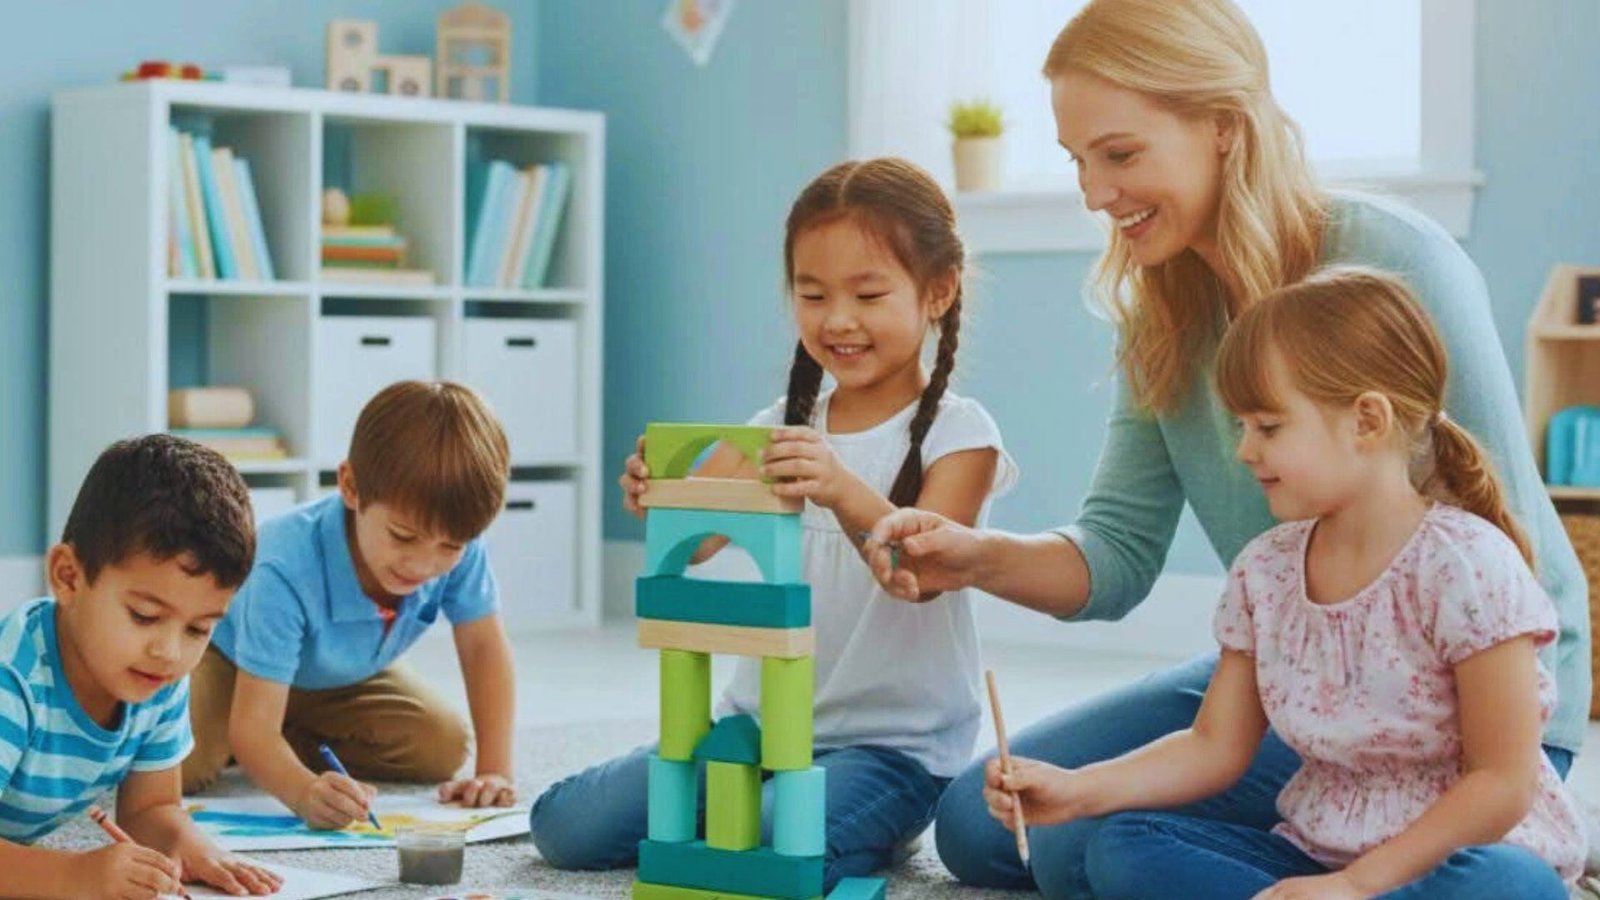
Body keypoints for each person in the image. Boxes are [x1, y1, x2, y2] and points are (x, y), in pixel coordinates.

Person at [864, 1, 1590, 896]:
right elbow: (1118, 555)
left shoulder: (1392, 261)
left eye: (1120, 154)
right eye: (1077, 162)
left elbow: (1498, 528)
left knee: (1096, 853)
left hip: (1464, 705)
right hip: (1298, 680)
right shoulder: (1161, 313)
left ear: (1223, 126)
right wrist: (976, 557)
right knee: (993, 826)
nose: (1093, 194)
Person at [984, 267, 1585, 899]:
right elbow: (1214, 745)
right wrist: (1077, 789)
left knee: (1511, 883)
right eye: (1241, 425)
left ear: (1368, 421)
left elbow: (1502, 783)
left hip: (1447, 862)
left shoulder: (1467, 566)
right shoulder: (1265, 571)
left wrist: (1358, 886)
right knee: (1119, 848)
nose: (1243, 450)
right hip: (1313, 862)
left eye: (1267, 427)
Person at [529, 157, 1017, 891]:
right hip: (752, 731)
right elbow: (696, 540)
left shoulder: (961, 435)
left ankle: (844, 828)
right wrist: (654, 493)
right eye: (812, 293)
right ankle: (749, 810)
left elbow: (919, 573)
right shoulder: (777, 428)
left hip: (892, 751)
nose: (837, 319)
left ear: (938, 291)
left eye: (868, 293)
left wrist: (840, 488)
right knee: (562, 828)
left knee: (763, 837)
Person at [183, 380, 520, 829]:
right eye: (403, 536)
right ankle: (255, 737)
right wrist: (302, 792)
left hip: (338, 676)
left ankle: (284, 737)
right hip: (233, 663)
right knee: (183, 764)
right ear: (350, 486)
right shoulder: (283, 566)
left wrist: (495, 770)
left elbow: (483, 648)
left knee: (441, 745)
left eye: (449, 546)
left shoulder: (457, 540)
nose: (423, 564)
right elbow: (254, 733)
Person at [0, 434, 280, 899]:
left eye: (198, 629)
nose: (170, 651)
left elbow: (151, 808)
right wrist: (75, 877)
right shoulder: (13, 680)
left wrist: (190, 846)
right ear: (68, 577)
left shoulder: (157, 677)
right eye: (145, 616)